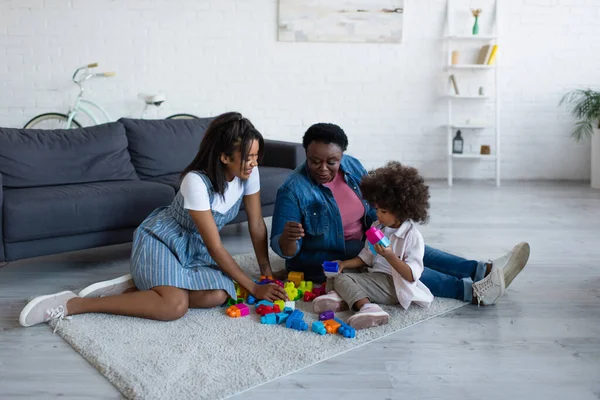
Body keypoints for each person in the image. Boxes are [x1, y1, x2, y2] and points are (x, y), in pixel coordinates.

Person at [20, 112, 287, 329]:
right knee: (174, 306)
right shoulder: (196, 181)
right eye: (247, 157)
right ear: (225, 157)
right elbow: (216, 247)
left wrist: (265, 272)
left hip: (195, 248)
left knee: (217, 295)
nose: (253, 163)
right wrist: (252, 287)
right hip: (162, 240)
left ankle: (137, 288)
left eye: (256, 156)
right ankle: (74, 304)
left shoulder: (248, 174)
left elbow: (255, 224)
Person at [270, 123, 530, 305]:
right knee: (398, 268)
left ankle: (481, 270)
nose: (324, 168)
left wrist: (395, 227)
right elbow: (284, 250)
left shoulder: (350, 166)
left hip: (366, 237)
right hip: (332, 257)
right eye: (315, 161)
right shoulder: (292, 190)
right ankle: (472, 292)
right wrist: (290, 238)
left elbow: (374, 204)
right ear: (306, 154)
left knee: (412, 247)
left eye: (332, 161)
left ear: (342, 155)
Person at [313, 161, 436, 330]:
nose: (378, 214)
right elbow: (366, 257)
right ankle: (340, 298)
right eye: (377, 209)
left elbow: (410, 275)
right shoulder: (377, 227)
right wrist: (343, 264)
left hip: (393, 284)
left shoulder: (412, 236)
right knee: (339, 271)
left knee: (342, 279)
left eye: (383, 211)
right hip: (375, 275)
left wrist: (389, 255)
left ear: (402, 210)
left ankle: (368, 308)